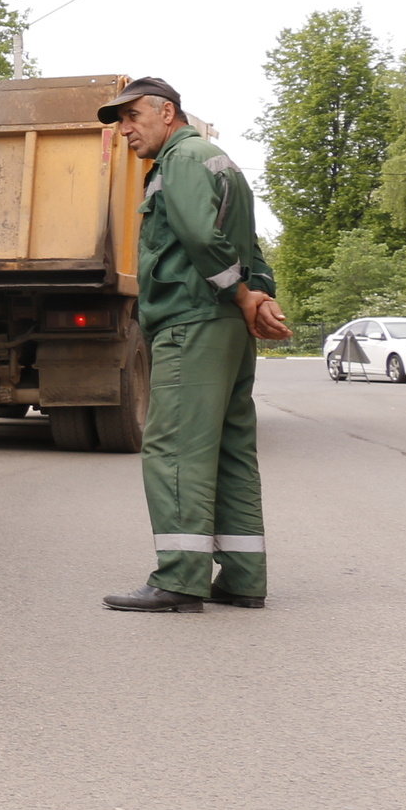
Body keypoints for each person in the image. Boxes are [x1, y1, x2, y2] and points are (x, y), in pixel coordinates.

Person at [97, 77, 291, 613]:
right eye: (121, 121)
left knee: (176, 447)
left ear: (167, 112)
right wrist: (258, 297)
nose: (126, 130)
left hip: (192, 320)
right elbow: (249, 246)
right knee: (230, 449)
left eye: (133, 116)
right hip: (226, 327)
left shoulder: (180, 160)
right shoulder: (220, 162)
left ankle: (181, 577)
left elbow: (202, 239)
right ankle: (243, 577)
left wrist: (242, 295)